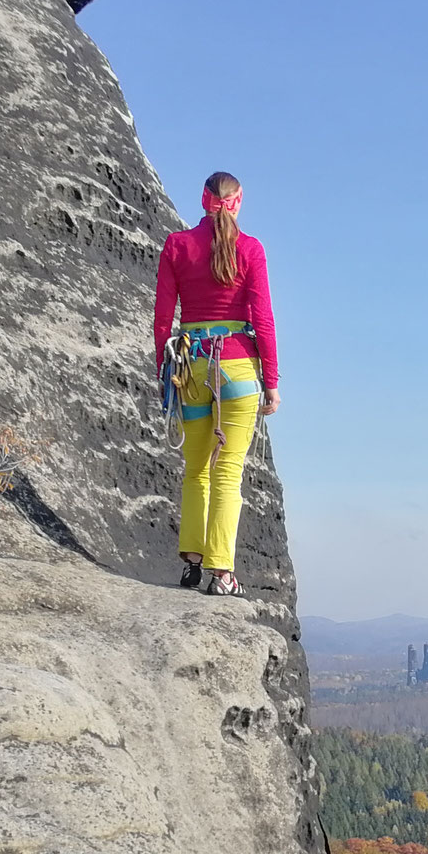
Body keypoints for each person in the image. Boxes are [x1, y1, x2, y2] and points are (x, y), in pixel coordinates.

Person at [152, 171, 281, 596]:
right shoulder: (251, 250)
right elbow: (262, 319)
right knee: (228, 474)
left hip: (189, 367)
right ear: (238, 202)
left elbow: (163, 318)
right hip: (238, 370)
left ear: (203, 200)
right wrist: (272, 381)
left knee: (195, 471)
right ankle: (222, 572)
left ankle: (191, 563)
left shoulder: (177, 246)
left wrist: (162, 371)